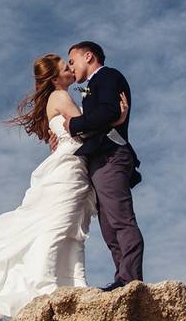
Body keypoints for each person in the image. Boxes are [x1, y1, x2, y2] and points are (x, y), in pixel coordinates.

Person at [0, 54, 128, 321]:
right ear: (56, 79)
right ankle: (48, 288)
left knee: (69, 229)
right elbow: (83, 129)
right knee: (59, 228)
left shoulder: (59, 97)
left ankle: (66, 285)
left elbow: (74, 128)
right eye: (65, 67)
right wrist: (117, 118)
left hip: (72, 166)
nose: (71, 69)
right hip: (68, 170)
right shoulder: (59, 95)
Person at [56, 41, 144, 292]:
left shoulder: (107, 76)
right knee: (108, 225)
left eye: (71, 61)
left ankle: (130, 279)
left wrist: (74, 125)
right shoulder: (91, 86)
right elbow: (105, 117)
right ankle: (122, 277)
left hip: (111, 155)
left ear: (88, 56)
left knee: (120, 219)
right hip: (100, 157)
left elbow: (108, 110)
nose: (70, 67)